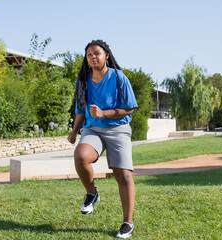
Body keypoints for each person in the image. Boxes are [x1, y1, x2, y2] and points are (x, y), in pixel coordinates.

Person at [67, 39, 138, 239]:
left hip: (118, 128)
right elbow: (80, 110)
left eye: (96, 53)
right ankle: (92, 193)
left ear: (106, 55)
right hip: (93, 129)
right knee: (80, 155)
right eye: (89, 55)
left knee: (123, 175)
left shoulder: (119, 78)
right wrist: (74, 131)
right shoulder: (82, 81)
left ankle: (127, 223)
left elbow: (130, 108)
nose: (93, 57)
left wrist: (104, 113)